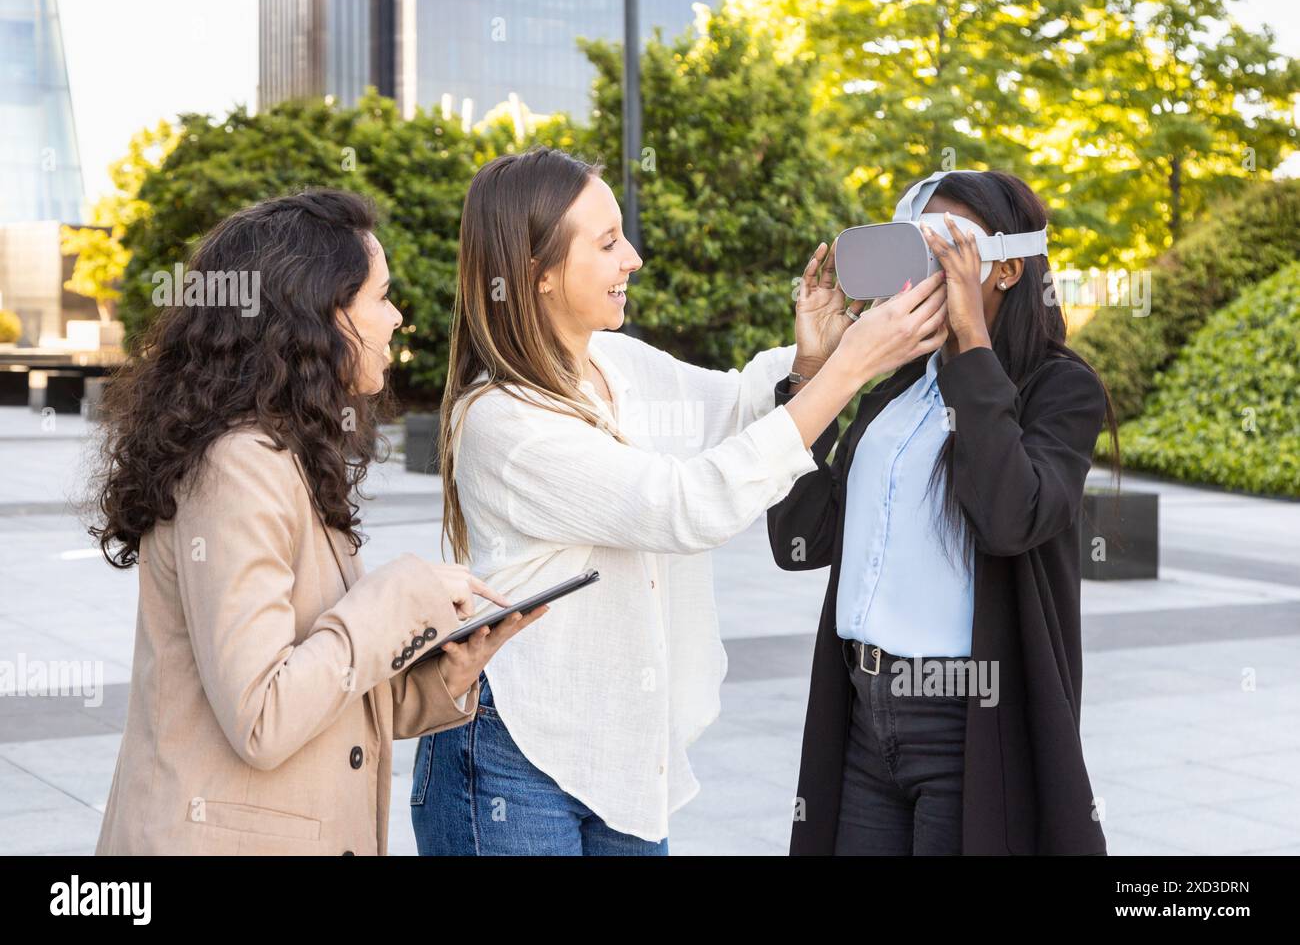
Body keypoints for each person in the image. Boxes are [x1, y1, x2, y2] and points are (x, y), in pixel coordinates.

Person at [409, 146, 950, 855]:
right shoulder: (501, 422)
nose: (632, 257)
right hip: (515, 752)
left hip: (626, 755)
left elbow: (730, 407)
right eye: (606, 243)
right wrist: (848, 374)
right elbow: (683, 507)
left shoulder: (617, 363)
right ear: (536, 275)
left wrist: (813, 359)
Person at [89, 188, 545, 855]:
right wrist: (398, 594)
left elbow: (327, 694)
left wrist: (444, 676)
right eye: (381, 297)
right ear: (320, 314)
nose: (396, 319)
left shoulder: (284, 455)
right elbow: (264, 717)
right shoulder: (239, 467)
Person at [768, 169, 1120, 855]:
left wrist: (968, 344)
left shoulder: (1058, 389)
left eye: (949, 248)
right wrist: (815, 370)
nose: (930, 268)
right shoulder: (891, 391)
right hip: (863, 715)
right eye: (918, 249)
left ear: (1008, 269)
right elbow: (799, 540)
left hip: (966, 722)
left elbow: (1009, 517)